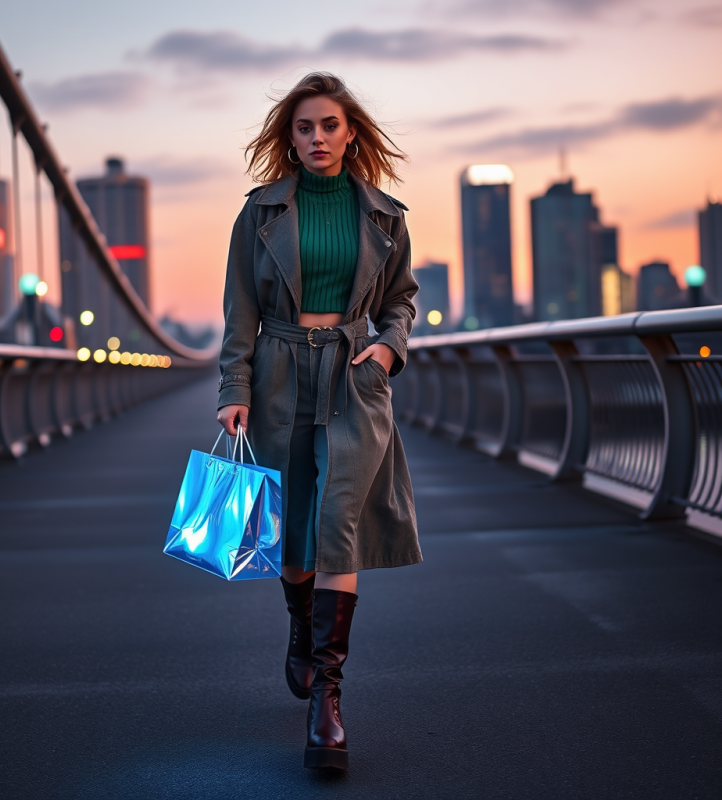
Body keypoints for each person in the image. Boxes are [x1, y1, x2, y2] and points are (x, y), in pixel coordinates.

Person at [216, 72, 422, 771]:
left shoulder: (387, 216)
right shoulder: (260, 214)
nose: (317, 138)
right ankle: (300, 625)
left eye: (329, 126)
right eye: (304, 128)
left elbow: (400, 302)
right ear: (289, 138)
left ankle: (326, 702)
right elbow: (240, 308)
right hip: (276, 370)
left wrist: (388, 349)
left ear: (351, 132)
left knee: (338, 522)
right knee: (295, 525)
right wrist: (232, 386)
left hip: (352, 375)